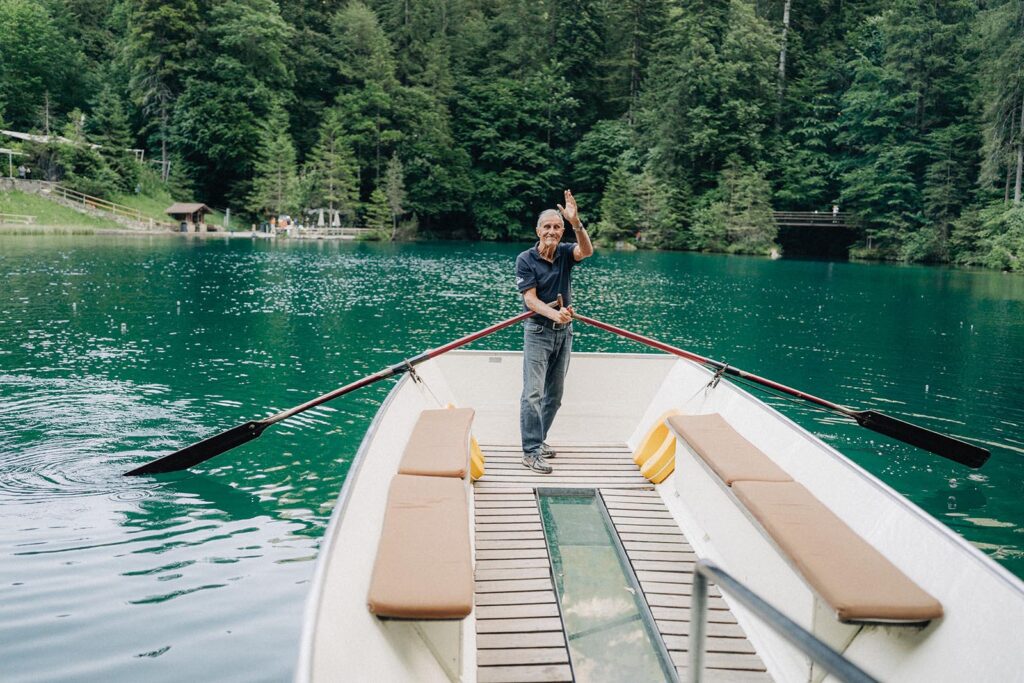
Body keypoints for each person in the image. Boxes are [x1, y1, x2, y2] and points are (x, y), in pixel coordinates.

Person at [515, 190, 594, 473]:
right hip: (538, 331)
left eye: (557, 227)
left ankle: (540, 439)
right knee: (533, 393)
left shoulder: (564, 252)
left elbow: (586, 251)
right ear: (538, 231)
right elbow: (531, 300)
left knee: (555, 396)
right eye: (547, 227)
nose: (551, 231)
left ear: (562, 231)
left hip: (565, 333)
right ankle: (530, 450)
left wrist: (576, 223)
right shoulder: (525, 259)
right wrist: (554, 313)